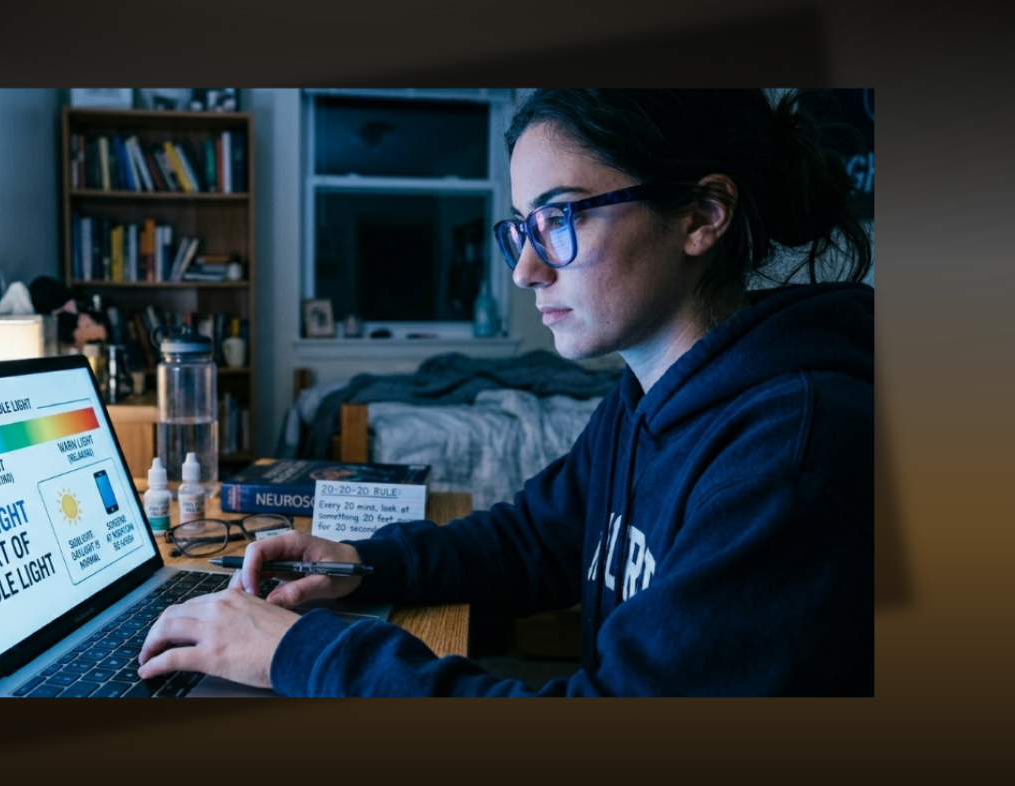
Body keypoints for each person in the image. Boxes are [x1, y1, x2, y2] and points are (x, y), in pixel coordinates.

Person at [137, 89, 875, 696]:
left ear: (702, 215)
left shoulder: (790, 459)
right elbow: (532, 540)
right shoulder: (645, 394)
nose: (525, 270)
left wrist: (300, 651)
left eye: (559, 217)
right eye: (523, 227)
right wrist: (355, 562)